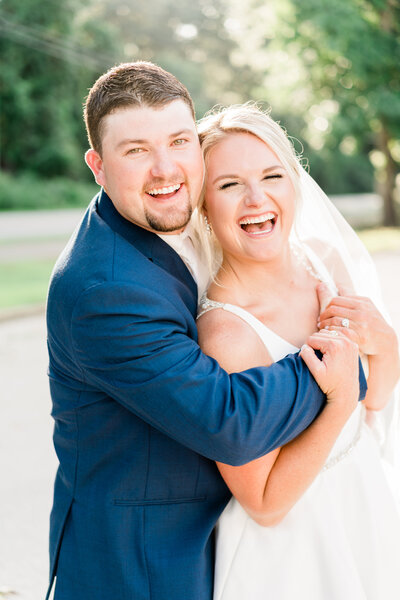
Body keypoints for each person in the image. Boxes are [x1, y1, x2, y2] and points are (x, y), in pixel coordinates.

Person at [45, 62, 365, 600]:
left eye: (178, 140)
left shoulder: (185, 221)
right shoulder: (105, 290)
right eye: (136, 150)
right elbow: (229, 422)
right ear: (97, 166)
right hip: (144, 566)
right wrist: (344, 360)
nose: (164, 168)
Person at [195, 103, 400, 600]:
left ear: (295, 180)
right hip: (292, 550)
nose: (256, 198)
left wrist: (386, 341)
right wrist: (340, 396)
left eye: (272, 175)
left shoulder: (323, 265)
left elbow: (376, 406)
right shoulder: (227, 335)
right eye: (229, 185)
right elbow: (264, 502)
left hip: (364, 500)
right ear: (202, 204)